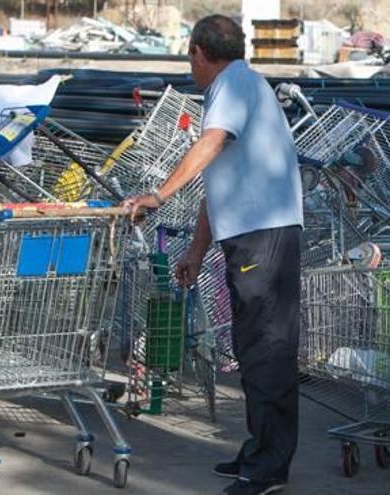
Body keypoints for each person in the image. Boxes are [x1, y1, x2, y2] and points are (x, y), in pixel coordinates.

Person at [124, 14, 303, 495]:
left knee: (267, 347)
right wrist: (197, 252)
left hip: (263, 234)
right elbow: (217, 182)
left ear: (199, 53)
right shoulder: (243, 85)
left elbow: (210, 143)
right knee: (253, 346)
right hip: (254, 233)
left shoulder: (230, 85)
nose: (192, 67)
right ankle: (260, 448)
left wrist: (158, 195)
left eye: (190, 58)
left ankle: (268, 469)